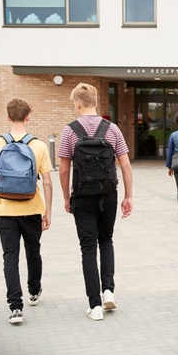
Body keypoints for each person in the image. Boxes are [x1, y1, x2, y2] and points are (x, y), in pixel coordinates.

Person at [58, 83, 133, 321]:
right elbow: (126, 165)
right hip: (108, 194)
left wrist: (66, 197)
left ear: (77, 104)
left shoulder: (70, 131)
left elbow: (63, 169)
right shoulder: (112, 129)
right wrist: (128, 196)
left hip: (82, 196)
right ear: (97, 102)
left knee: (88, 248)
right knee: (106, 239)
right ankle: (108, 290)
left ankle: (95, 305)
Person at [0, 99, 53, 324]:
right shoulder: (39, 146)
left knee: (10, 257)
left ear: (7, 117)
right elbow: (47, 183)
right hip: (32, 208)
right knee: (33, 252)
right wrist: (48, 211)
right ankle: (34, 290)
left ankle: (15, 307)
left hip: (5, 209)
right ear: (28, 117)